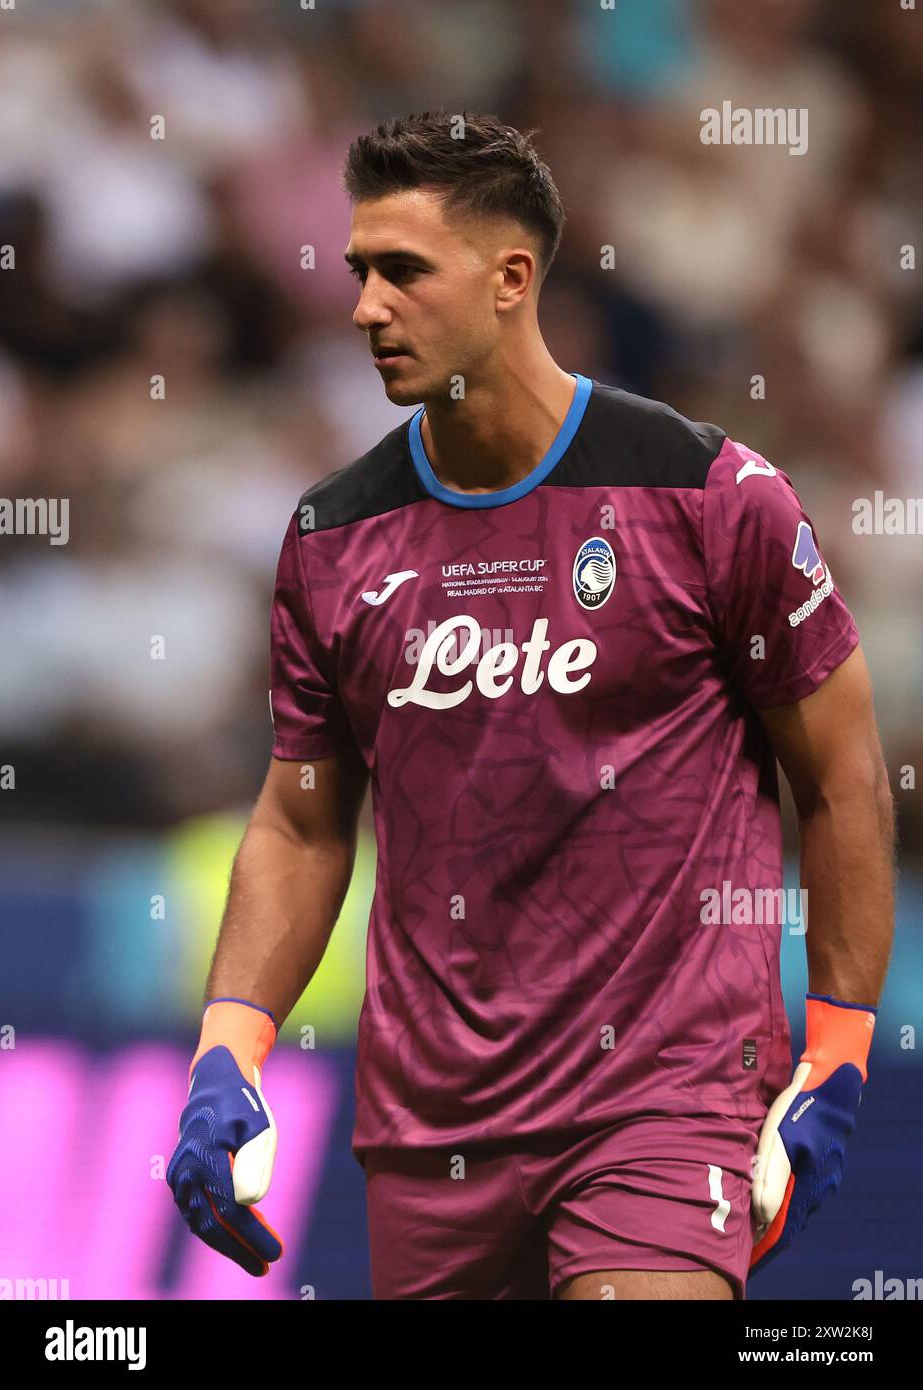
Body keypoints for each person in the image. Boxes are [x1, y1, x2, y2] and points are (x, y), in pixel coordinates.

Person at [167, 111, 894, 1301]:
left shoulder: (711, 497)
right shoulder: (331, 539)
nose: (363, 308)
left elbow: (842, 780)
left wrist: (837, 1051)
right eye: (358, 271)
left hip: (662, 1099)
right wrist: (227, 1049)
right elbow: (303, 823)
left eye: (402, 272)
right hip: (431, 1126)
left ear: (511, 279)